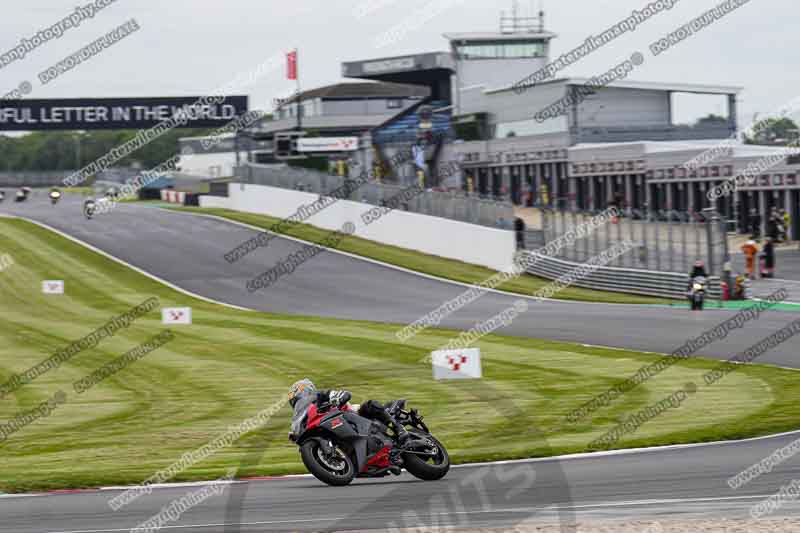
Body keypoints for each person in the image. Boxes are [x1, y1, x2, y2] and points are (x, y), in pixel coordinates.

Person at [287, 379, 422, 448]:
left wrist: (338, 397)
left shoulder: (320, 396)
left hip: (355, 415)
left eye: (297, 397)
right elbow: (301, 429)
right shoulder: (305, 414)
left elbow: (340, 394)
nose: (297, 401)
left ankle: (399, 429)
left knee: (369, 405)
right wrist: (296, 435)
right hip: (339, 430)